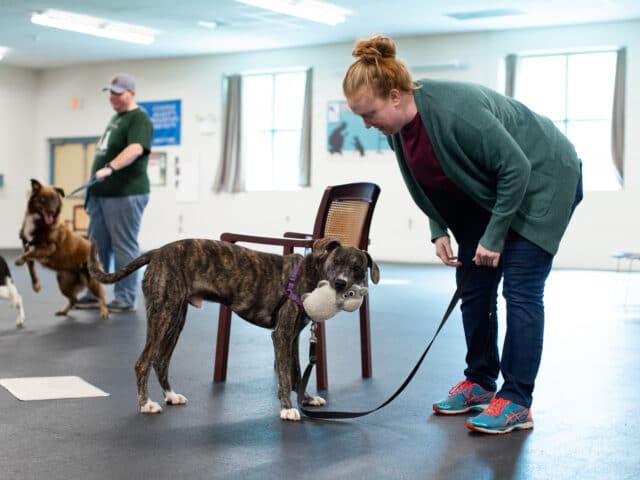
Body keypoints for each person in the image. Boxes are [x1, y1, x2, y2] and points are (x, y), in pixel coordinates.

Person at [343, 35, 583, 434]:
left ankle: (517, 400)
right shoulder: (398, 130)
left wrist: (494, 236)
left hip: (544, 180)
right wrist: (438, 226)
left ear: (397, 97)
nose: (367, 124)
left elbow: (517, 168)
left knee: (520, 289)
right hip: (492, 194)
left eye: (369, 114)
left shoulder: (457, 112)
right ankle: (480, 381)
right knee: (473, 285)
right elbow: (427, 180)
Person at [75, 73, 153, 313]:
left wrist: (110, 167)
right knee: (96, 246)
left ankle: (125, 297)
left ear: (132, 94)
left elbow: (135, 149)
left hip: (125, 193)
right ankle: (94, 291)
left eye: (118, 93)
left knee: (123, 246)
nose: (113, 97)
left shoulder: (138, 119)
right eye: (111, 93)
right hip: (102, 195)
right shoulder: (116, 118)